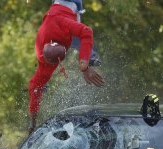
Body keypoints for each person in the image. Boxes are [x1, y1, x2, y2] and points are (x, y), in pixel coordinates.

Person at [28, 0, 105, 134]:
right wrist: (32, 122)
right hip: (71, 13)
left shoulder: (59, 21)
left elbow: (87, 31)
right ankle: (90, 55)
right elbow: (35, 89)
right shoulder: (46, 63)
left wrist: (84, 65)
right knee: (78, 34)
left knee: (80, 34)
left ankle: (89, 56)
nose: (56, 65)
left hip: (65, 4)